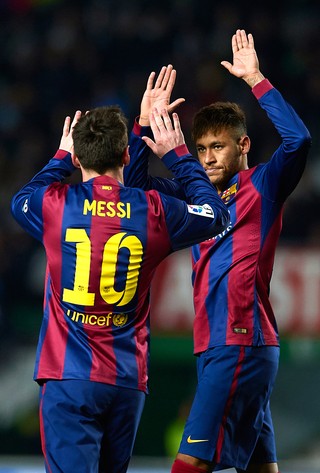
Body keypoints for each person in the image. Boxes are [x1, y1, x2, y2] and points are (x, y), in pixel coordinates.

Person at [10, 66, 230, 472]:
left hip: (68, 376)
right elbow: (216, 215)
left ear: (77, 157)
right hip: (128, 381)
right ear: (127, 154)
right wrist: (177, 153)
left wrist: (60, 157)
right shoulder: (153, 211)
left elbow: (21, 199)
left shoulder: (56, 206)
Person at [124, 30, 311, 473]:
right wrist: (143, 125)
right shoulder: (196, 196)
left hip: (239, 341)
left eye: (217, 147)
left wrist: (256, 79)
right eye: (202, 149)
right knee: (261, 466)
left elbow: (299, 141)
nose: (207, 158)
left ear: (243, 146)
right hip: (218, 344)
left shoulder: (262, 186)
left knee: (189, 463)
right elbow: (136, 187)